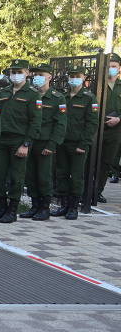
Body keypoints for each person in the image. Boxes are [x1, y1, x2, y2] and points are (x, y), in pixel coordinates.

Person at [0, 59, 42, 223]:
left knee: (16, 177)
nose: (15, 75)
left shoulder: (33, 94)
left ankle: (12, 210)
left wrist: (26, 143)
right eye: (12, 72)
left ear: (27, 73)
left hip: (19, 141)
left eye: (19, 72)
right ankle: (1, 207)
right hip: (1, 140)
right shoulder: (3, 92)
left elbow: (35, 122)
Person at [20, 63, 66, 221]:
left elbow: (60, 124)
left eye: (41, 75)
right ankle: (34, 206)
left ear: (49, 77)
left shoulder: (57, 98)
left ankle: (44, 208)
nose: (37, 77)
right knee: (30, 175)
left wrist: (52, 145)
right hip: (29, 141)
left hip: (45, 142)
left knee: (44, 176)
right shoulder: (30, 95)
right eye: (35, 75)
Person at [52, 67, 99, 219]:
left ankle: (73, 207)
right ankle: (64, 205)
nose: (73, 79)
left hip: (78, 144)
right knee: (61, 174)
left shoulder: (89, 98)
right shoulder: (63, 97)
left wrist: (83, 144)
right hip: (62, 142)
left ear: (84, 77)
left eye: (77, 76)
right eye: (71, 76)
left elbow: (92, 123)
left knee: (77, 175)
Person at [96, 53, 121, 203]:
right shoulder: (97, 84)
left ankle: (98, 191)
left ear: (119, 68)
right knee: (91, 161)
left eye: (114, 66)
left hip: (115, 131)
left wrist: (119, 119)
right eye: (109, 66)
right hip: (97, 128)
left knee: (106, 161)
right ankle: (87, 190)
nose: (111, 69)